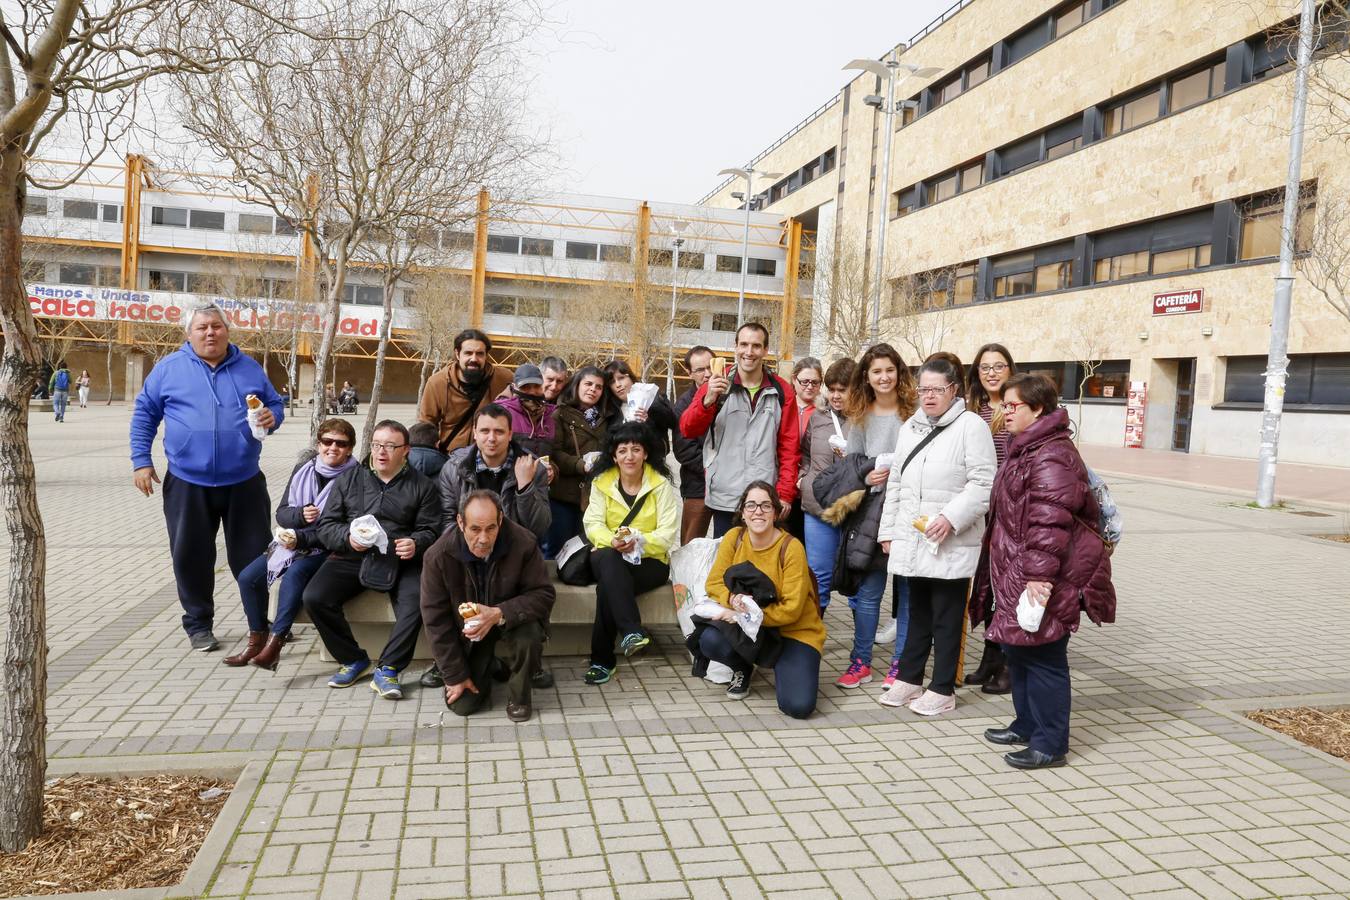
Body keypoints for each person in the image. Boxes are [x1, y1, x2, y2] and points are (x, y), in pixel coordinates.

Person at [970, 374, 1115, 768]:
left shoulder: (1051, 454)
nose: (1005, 411)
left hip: (1046, 576)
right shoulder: (1028, 447)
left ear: (1038, 409)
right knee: (1018, 652)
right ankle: (1027, 723)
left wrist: (1039, 578)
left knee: (1045, 656)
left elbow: (1049, 525)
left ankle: (1050, 744)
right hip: (1020, 569)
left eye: (1013, 405)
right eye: (1005, 405)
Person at [130, 304, 283, 651]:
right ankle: (198, 624)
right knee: (191, 556)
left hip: (244, 480)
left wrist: (273, 417)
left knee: (254, 558)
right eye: (202, 328)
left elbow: (275, 404)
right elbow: (144, 416)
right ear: (189, 334)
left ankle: (258, 622)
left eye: (216, 326)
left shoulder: (249, 368)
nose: (210, 333)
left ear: (227, 331)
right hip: (187, 481)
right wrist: (141, 461)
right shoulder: (168, 369)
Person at [876, 357, 995, 716]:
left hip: (950, 540)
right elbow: (896, 482)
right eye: (923, 389)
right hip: (913, 537)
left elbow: (984, 483)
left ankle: (942, 687)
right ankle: (910, 678)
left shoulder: (971, 426)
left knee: (946, 615)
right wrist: (888, 531)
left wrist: (951, 517)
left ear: (953, 390)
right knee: (917, 611)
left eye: (936, 390)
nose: (928, 396)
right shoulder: (910, 427)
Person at [302, 420, 442, 700]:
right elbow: (327, 525)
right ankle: (353, 659)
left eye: (390, 446)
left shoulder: (423, 486)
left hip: (400, 559)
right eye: (377, 445)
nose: (381, 452)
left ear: (406, 451)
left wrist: (416, 543)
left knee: (416, 602)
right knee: (314, 597)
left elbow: (431, 529)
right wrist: (347, 538)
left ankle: (388, 668)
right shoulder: (350, 479)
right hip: (352, 554)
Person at [422, 403, 551, 689]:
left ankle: (531, 662)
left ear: (510, 434)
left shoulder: (532, 467)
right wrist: (461, 555)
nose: (491, 438)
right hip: (467, 551)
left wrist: (525, 488)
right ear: (475, 434)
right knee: (449, 588)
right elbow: (446, 518)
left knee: (527, 596)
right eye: (485, 431)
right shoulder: (454, 468)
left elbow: (539, 527)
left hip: (513, 555)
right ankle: (448, 663)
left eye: (499, 431)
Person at [226, 418, 359, 669]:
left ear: (350, 448)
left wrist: (301, 538)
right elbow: (282, 512)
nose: (333, 448)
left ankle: (275, 646)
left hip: (327, 547)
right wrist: (299, 516)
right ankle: (257, 639)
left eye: (340, 444)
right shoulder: (304, 469)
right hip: (291, 543)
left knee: (294, 575)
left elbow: (345, 528)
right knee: (248, 578)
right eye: (327, 442)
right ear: (318, 444)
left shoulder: (355, 478)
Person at [421, 490, 556, 723]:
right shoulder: (438, 556)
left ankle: (520, 697)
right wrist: (455, 675)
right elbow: (436, 622)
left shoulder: (523, 542)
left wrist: (498, 613)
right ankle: (491, 665)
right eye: (475, 529)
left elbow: (543, 594)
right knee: (464, 706)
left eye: (491, 528)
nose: (483, 538)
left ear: (500, 520)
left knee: (530, 634)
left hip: (512, 618)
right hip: (470, 632)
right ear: (460, 522)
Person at [695, 482, 825, 717]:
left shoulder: (792, 547)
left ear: (776, 513)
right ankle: (742, 667)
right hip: (753, 630)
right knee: (710, 640)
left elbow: (792, 610)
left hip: (792, 632)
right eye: (751, 505)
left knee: (798, 707)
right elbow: (713, 583)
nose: (758, 511)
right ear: (742, 513)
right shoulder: (734, 538)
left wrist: (742, 615)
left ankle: (786, 666)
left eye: (766, 506)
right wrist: (732, 598)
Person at [832, 343, 917, 689]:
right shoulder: (861, 416)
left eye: (889, 370)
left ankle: (900, 665)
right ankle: (860, 662)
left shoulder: (914, 414)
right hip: (870, 513)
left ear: (899, 372)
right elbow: (850, 468)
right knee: (868, 594)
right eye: (876, 371)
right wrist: (866, 475)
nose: (884, 377)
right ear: (866, 376)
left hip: (909, 512)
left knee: (908, 592)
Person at [678, 322, 800, 537]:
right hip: (726, 495)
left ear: (765, 350)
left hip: (764, 496)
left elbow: (789, 447)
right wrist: (707, 401)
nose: (749, 352)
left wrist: (785, 493)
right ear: (735, 347)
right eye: (743, 344)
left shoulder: (782, 390)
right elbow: (688, 428)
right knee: (727, 562)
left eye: (756, 346)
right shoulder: (716, 382)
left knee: (761, 564)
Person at [581, 422, 679, 685]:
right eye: (622, 450)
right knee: (610, 561)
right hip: (608, 554)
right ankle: (631, 631)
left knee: (608, 588)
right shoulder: (602, 482)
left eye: (636, 449)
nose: (629, 456)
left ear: (645, 453)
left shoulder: (660, 486)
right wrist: (612, 541)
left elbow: (668, 533)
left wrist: (639, 540)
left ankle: (602, 662)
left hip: (649, 561)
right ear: (614, 456)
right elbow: (592, 524)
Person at [964, 342, 1018, 694]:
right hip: (983, 512)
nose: (992, 373)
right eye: (985, 367)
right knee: (988, 589)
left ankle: (1011, 666)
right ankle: (990, 659)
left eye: (999, 366)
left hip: (1012, 511)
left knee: (1009, 590)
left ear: (1011, 370)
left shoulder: (1018, 409)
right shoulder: (974, 411)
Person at [800, 357, 854, 611]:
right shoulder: (818, 417)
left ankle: (861, 650)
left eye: (842, 390)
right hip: (817, 506)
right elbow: (805, 454)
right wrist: (803, 478)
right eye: (831, 389)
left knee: (857, 582)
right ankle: (812, 641)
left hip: (854, 509)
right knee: (818, 576)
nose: (835, 395)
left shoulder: (867, 419)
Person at [419, 328, 514, 452]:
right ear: (457, 354)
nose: (474, 359)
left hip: (491, 456)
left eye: (480, 353)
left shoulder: (505, 379)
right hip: (450, 457)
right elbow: (426, 425)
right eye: (468, 353)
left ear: (486, 355)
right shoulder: (437, 383)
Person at [548, 366, 609, 552]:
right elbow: (554, 452)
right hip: (563, 494)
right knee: (556, 549)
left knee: (582, 551)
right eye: (588, 384)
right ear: (576, 385)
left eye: (598, 387)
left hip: (592, 496)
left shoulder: (605, 417)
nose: (593, 389)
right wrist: (580, 465)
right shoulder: (559, 413)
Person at [671, 345, 715, 545]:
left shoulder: (730, 395)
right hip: (697, 485)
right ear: (690, 373)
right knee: (691, 543)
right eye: (699, 370)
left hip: (731, 486)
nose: (707, 374)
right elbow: (684, 451)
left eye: (710, 367)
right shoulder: (683, 404)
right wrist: (714, 470)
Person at [602, 359, 677, 453]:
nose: (618, 385)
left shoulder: (653, 399)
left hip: (651, 464)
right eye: (612, 382)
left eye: (621, 378)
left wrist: (648, 421)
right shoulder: (610, 411)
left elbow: (672, 423)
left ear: (631, 377)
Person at [786, 357, 823, 539]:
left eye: (815, 382)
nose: (809, 386)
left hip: (809, 489)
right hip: (783, 485)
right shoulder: (782, 405)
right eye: (804, 381)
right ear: (794, 380)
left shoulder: (824, 413)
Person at [497, 364, 557, 460]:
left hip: (541, 474)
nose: (532, 392)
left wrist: (553, 469)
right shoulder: (500, 413)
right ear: (514, 387)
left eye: (536, 386)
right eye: (525, 387)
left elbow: (554, 456)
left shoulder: (550, 416)